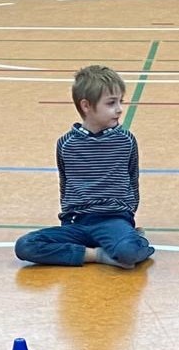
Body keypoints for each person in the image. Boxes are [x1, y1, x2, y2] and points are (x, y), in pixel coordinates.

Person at [14, 64, 153, 269]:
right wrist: (71, 218)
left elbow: (133, 179)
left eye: (120, 102)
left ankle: (133, 238)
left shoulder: (126, 140)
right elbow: (65, 183)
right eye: (111, 103)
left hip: (113, 221)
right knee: (25, 245)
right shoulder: (66, 144)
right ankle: (96, 254)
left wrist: (126, 215)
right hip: (76, 223)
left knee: (128, 251)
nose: (119, 109)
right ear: (86, 106)